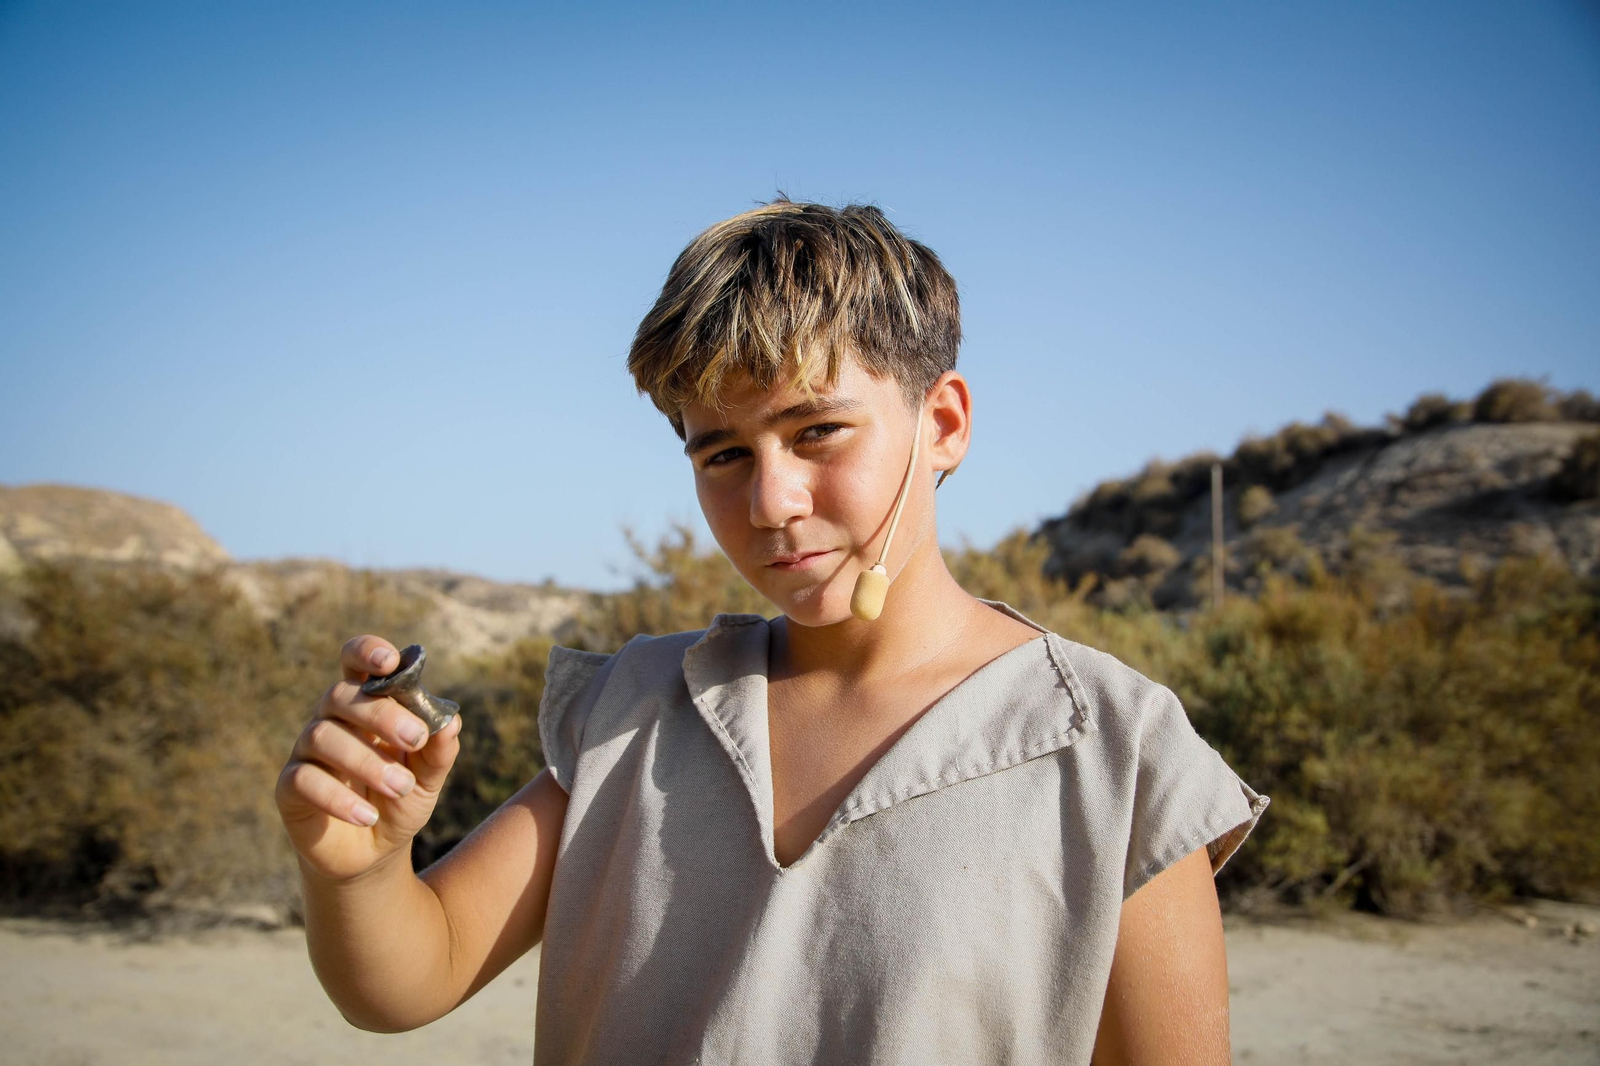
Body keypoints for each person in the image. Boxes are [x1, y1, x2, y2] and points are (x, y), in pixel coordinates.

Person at [275, 198, 1269, 1065]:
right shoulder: (639, 707)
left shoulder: (1110, 751)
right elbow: (409, 979)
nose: (771, 499)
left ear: (945, 424)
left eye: (817, 431)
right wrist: (356, 869)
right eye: (720, 452)